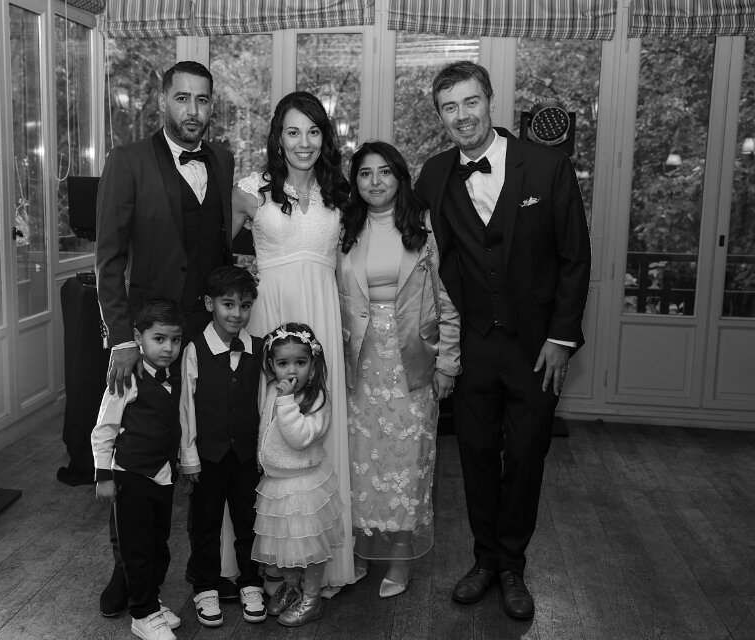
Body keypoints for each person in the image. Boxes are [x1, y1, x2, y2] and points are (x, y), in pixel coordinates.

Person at [415, 61, 591, 620]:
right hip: (471, 345)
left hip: (536, 346)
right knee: (473, 454)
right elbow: (411, 245)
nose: (462, 116)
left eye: (470, 102)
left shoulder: (546, 166)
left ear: (490, 101)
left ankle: (513, 564)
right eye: (449, 107)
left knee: (527, 453)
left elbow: (575, 257)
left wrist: (562, 338)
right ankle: (485, 560)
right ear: (440, 116)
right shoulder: (434, 175)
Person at [94, 61, 236, 617]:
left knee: (204, 449)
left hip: (208, 332)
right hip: (152, 337)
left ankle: (206, 569)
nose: (193, 111)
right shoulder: (127, 161)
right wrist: (123, 339)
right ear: (162, 102)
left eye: (202, 100)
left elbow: (217, 245)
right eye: (182, 98)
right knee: (138, 455)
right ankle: (126, 568)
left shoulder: (221, 159)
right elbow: (109, 259)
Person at [232, 91, 356, 593]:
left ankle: (320, 563)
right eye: (293, 131)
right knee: (272, 432)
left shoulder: (340, 194)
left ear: (325, 137)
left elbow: (350, 268)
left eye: (313, 131)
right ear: (278, 138)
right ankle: (271, 564)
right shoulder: (249, 191)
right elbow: (219, 262)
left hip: (322, 319)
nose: (304, 142)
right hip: (271, 318)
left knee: (316, 429)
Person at [336, 141, 462, 598]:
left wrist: (448, 362)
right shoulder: (344, 229)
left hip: (412, 361)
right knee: (359, 459)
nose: (375, 181)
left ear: (400, 177)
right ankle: (359, 549)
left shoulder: (424, 227)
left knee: (408, 462)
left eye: (385, 171)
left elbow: (447, 298)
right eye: (365, 173)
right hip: (359, 363)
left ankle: (400, 558)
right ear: (355, 182)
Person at [91, 299, 186, 640]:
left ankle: (150, 600)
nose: (168, 348)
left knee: (159, 545)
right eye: (159, 339)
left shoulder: (176, 376)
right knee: (136, 549)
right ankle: (142, 614)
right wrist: (104, 476)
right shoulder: (126, 379)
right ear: (138, 337)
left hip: (163, 476)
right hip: (130, 476)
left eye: (175, 340)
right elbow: (104, 429)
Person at [178, 266, 266, 627]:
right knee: (205, 524)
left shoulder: (258, 349)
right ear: (209, 303)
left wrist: (261, 453)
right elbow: (186, 406)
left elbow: (263, 404)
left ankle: (251, 582)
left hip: (246, 456)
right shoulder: (194, 349)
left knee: (249, 521)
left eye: (244, 306)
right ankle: (205, 586)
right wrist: (189, 456)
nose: (236, 313)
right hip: (208, 457)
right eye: (228, 304)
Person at [253, 323, 346, 627]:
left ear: (313, 364)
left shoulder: (316, 398)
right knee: (287, 542)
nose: (292, 370)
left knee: (308, 543)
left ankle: (312, 597)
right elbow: (267, 429)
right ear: (272, 365)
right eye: (283, 363)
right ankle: (292, 587)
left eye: (300, 362)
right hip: (277, 482)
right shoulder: (273, 389)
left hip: (304, 484)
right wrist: (261, 460)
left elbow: (299, 438)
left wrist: (286, 401)